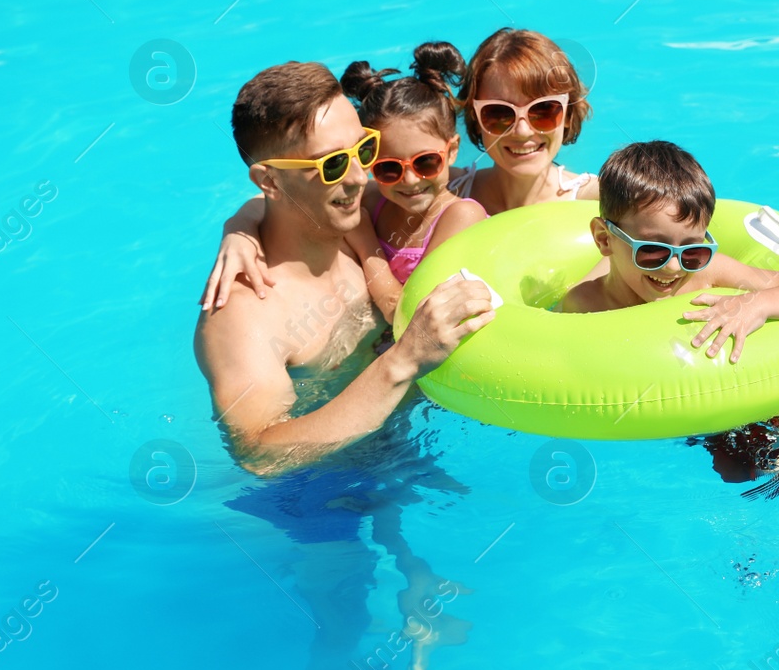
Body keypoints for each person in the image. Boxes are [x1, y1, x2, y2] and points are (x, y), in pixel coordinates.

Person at [193, 61, 495, 478]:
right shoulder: (245, 315)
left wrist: (238, 224)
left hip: (410, 454)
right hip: (324, 497)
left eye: (364, 150)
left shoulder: (353, 230)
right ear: (271, 182)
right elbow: (259, 454)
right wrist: (403, 361)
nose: (359, 178)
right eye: (332, 164)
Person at [202, 42, 486, 320]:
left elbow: (408, 313)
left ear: (451, 151)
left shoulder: (461, 215)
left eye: (426, 162)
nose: (410, 180)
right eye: (387, 168)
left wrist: (366, 246)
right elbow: (277, 196)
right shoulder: (373, 198)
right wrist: (238, 231)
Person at [557, 140, 779, 362]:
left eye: (693, 251)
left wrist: (758, 304)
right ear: (605, 240)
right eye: (653, 251)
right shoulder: (584, 304)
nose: (674, 267)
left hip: (740, 392)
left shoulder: (708, 275)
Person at [448, 27, 598, 213]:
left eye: (543, 110)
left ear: (568, 114)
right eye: (499, 113)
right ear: (475, 118)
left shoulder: (599, 200)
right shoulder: (446, 194)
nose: (522, 131)